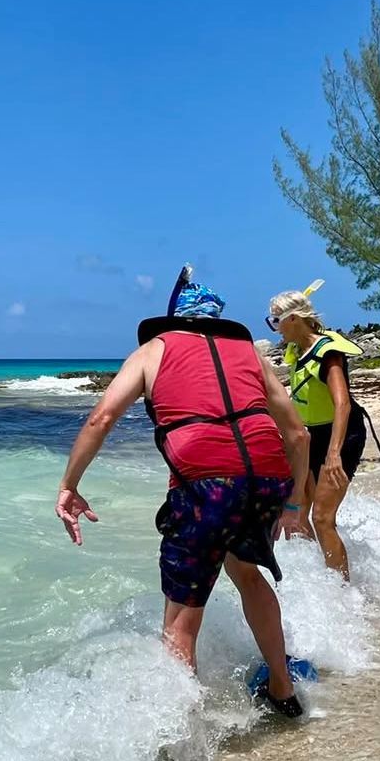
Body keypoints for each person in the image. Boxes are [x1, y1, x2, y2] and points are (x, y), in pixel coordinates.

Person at [55, 267, 313, 717]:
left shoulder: (152, 350)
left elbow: (101, 418)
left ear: (174, 319)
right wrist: (292, 504)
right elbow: (298, 435)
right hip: (266, 479)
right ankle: (282, 688)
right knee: (247, 574)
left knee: (182, 615)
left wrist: (69, 485)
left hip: (205, 487)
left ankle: (180, 733)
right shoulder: (251, 354)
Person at [266, 282, 366, 581]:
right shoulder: (298, 352)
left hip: (342, 436)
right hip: (312, 437)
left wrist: (334, 454)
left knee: (322, 518)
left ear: (293, 319)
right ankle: (319, 581)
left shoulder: (328, 353)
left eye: (276, 321)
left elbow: (342, 404)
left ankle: (344, 590)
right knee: (297, 513)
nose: (275, 328)